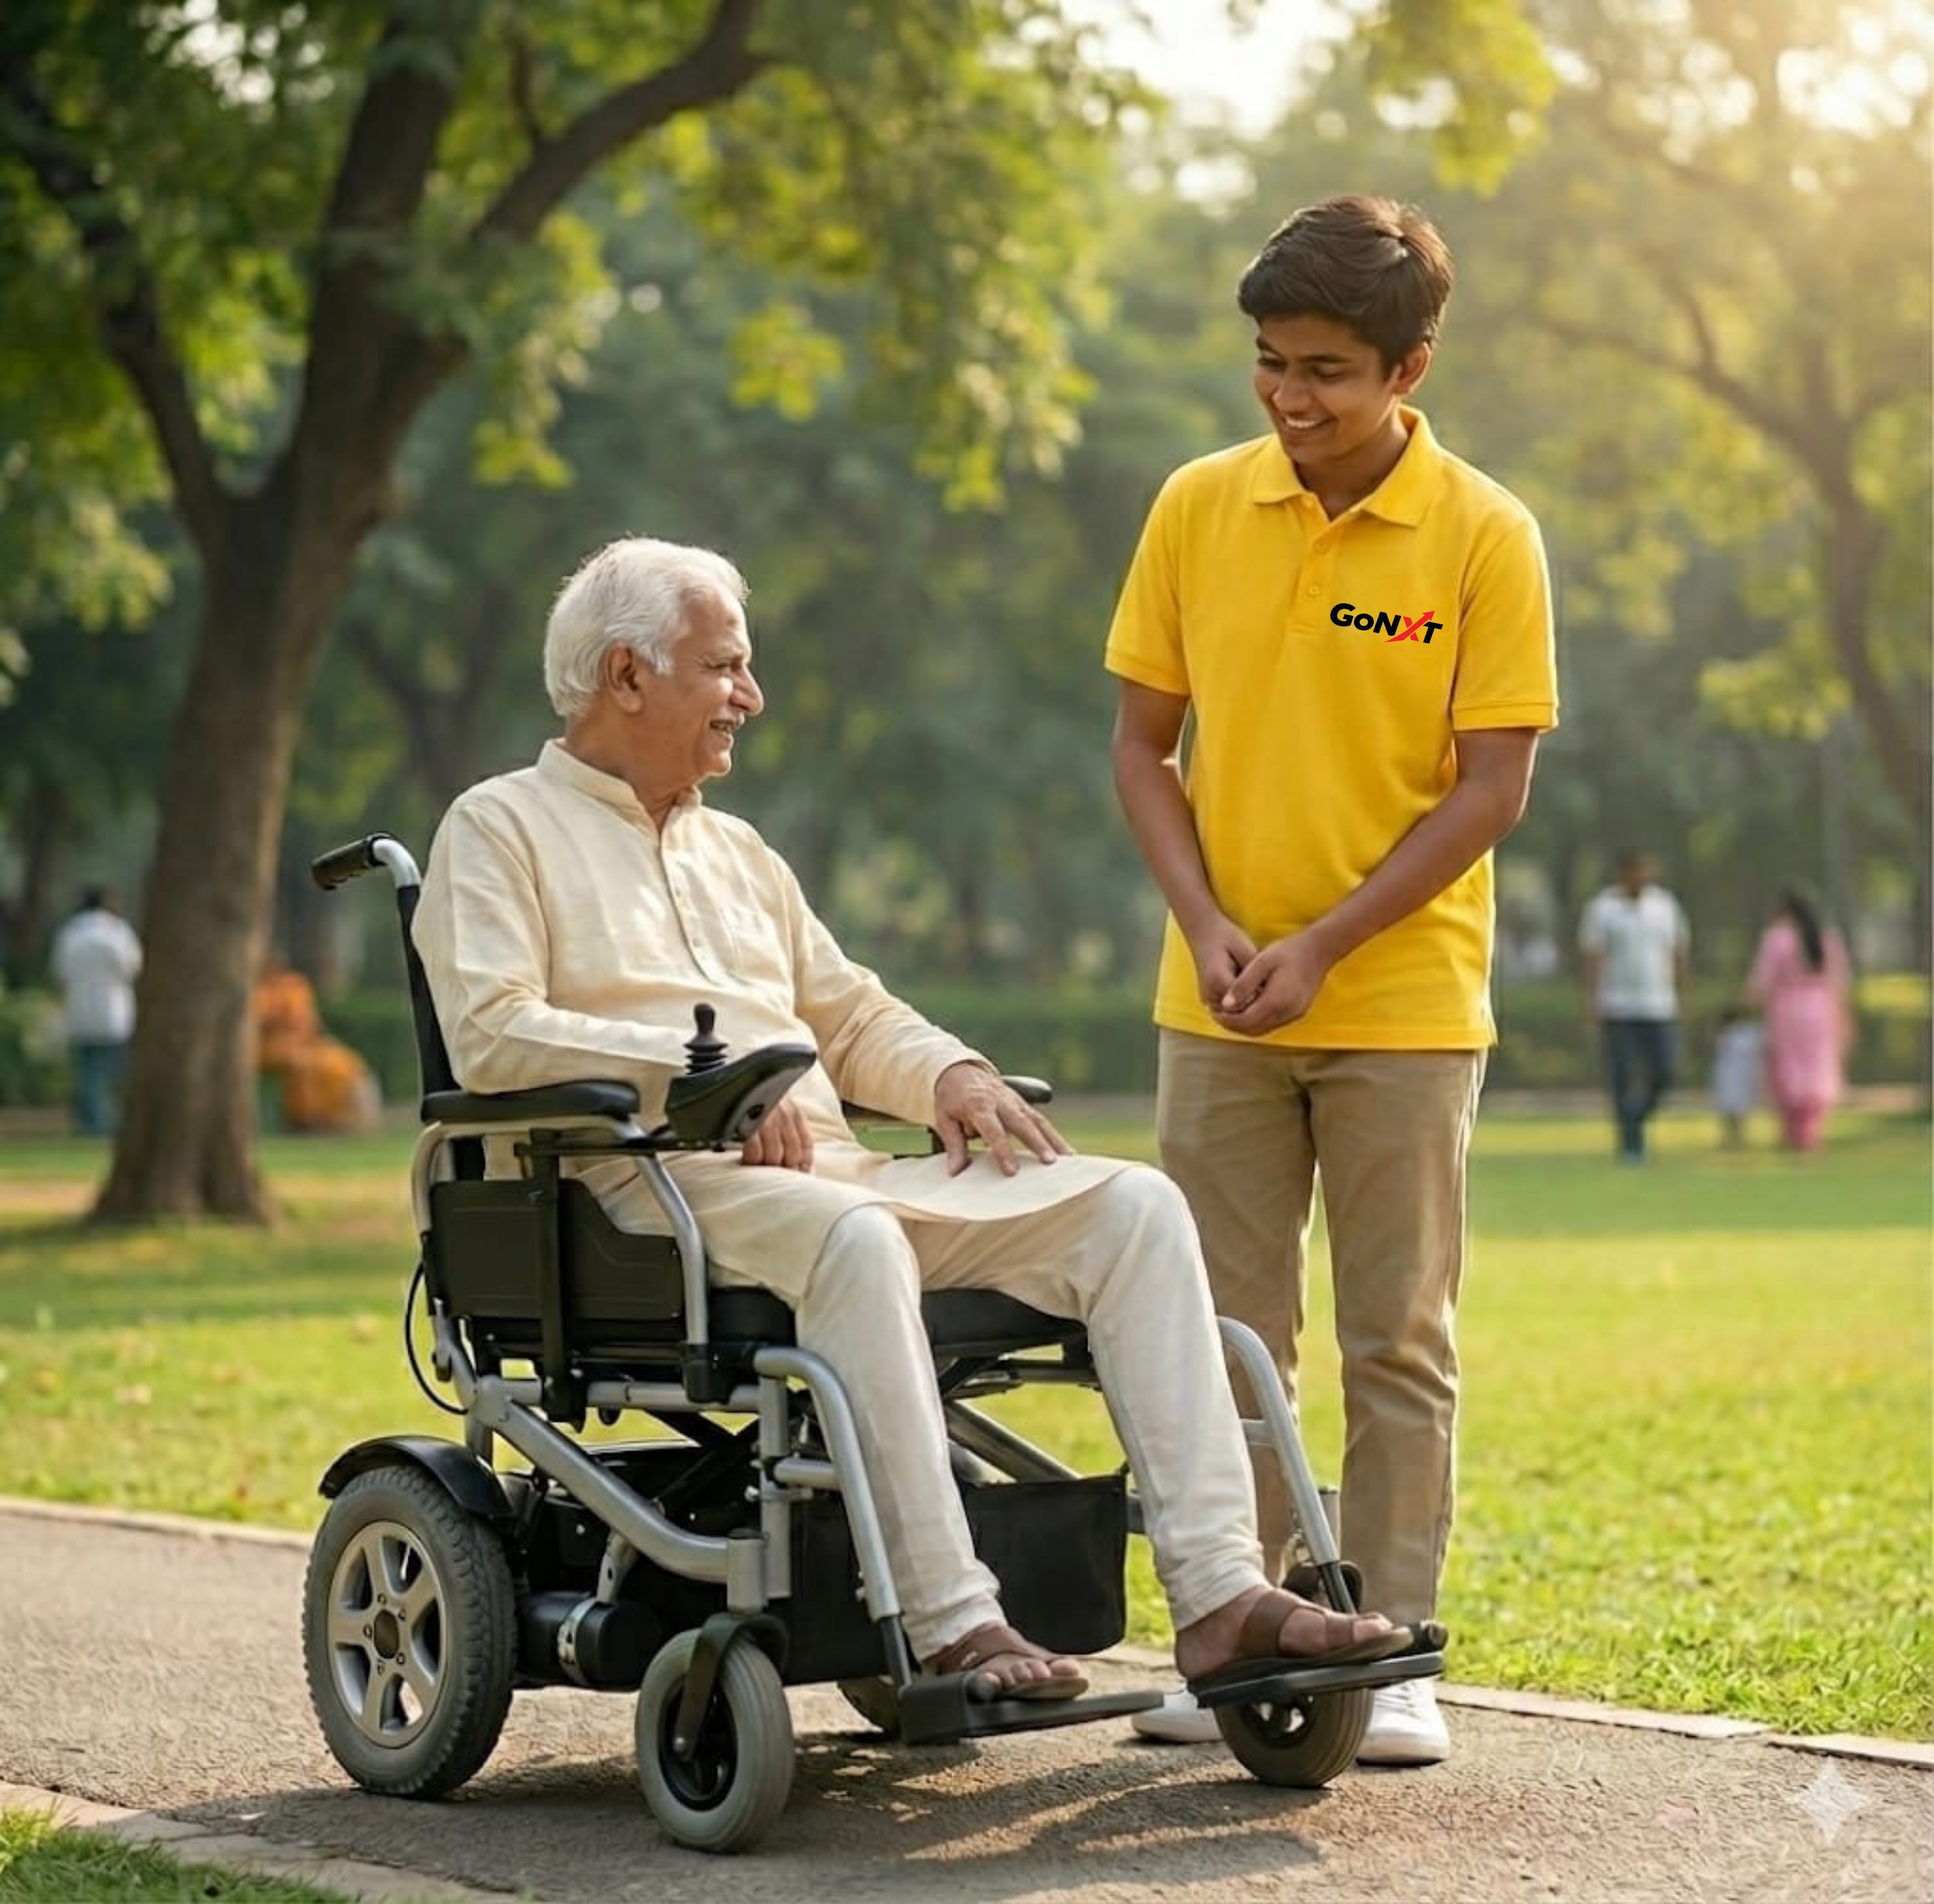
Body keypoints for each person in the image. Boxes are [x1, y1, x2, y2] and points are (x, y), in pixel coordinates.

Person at [413, 533, 1428, 1708]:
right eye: (724, 668)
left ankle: (1222, 1600)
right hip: (636, 1193)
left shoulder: (736, 853)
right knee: (859, 1241)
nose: (750, 696)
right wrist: (703, 1073)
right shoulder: (499, 828)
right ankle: (953, 1624)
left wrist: (950, 1074)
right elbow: (492, 1031)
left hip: (826, 1182)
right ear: (627, 677)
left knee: (1136, 1209)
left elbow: (845, 1015)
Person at [1104, 195, 1556, 1764]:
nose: (1290, 398)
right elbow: (1140, 748)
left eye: (1327, 372)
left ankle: (1396, 1654)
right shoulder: (1193, 507)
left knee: (1395, 1339)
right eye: (1268, 364)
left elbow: (1490, 788)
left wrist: (1324, 943)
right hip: (1216, 1001)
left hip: (1405, 1010)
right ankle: (1230, 1630)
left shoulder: (1486, 536)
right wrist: (1212, 925)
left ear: (1411, 365)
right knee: (1221, 1334)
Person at [1579, 851, 1691, 1161]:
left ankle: (1637, 1119)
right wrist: (1592, 1003)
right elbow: (1594, 959)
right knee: (1623, 1076)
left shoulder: (1665, 907)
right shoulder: (1604, 909)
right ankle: (1630, 1143)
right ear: (1624, 873)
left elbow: (1678, 952)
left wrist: (1683, 995)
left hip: (1659, 1004)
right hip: (1618, 1006)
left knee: (1664, 1072)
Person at [1747, 893, 1852, 1153]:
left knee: (1788, 1069)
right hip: (1821, 1010)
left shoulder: (1777, 939)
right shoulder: (1827, 939)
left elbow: (1762, 980)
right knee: (1817, 1068)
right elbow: (1839, 982)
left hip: (1787, 1010)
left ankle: (1794, 1130)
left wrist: (1748, 1004)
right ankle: (1810, 1130)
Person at [50, 886, 143, 1136]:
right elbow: (132, 966)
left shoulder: (71, 933)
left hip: (80, 1010)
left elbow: (60, 971)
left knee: (88, 1072)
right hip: (114, 1011)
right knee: (118, 1070)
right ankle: (113, 1121)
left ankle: (92, 1122)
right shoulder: (117, 932)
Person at [1709, 1002, 1763, 1150]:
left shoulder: (1748, 1033)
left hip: (1739, 1077)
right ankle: (1732, 1138)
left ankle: (1737, 1138)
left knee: (1738, 1111)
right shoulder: (1731, 1035)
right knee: (1731, 1111)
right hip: (1731, 1077)